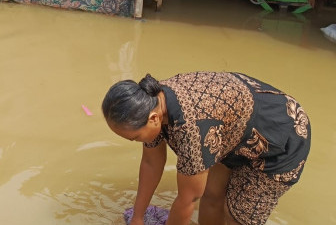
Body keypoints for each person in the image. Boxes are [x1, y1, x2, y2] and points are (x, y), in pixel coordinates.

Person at [102, 72, 310, 225]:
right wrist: (138, 218)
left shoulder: (191, 130)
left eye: (135, 138)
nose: (135, 142)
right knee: (211, 194)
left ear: (154, 118)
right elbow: (151, 162)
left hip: (282, 137)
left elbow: (188, 199)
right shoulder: (151, 100)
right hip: (232, 132)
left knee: (237, 216)